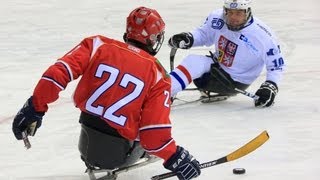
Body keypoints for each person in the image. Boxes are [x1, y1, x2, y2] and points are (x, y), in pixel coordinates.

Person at [12, 7, 201, 180]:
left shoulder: (97, 44)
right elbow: (153, 134)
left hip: (86, 140)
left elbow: (56, 74)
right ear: (152, 38)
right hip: (120, 154)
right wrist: (175, 156)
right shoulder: (158, 75)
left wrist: (35, 107)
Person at [168, 0, 285, 107]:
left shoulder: (263, 35)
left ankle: (164, 93)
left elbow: (276, 65)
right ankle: (164, 91)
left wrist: (270, 86)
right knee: (193, 62)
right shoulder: (217, 18)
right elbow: (204, 34)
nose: (233, 17)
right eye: (230, 12)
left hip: (236, 81)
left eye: (239, 13)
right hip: (218, 67)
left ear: (247, 12)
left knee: (193, 62)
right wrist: (189, 38)